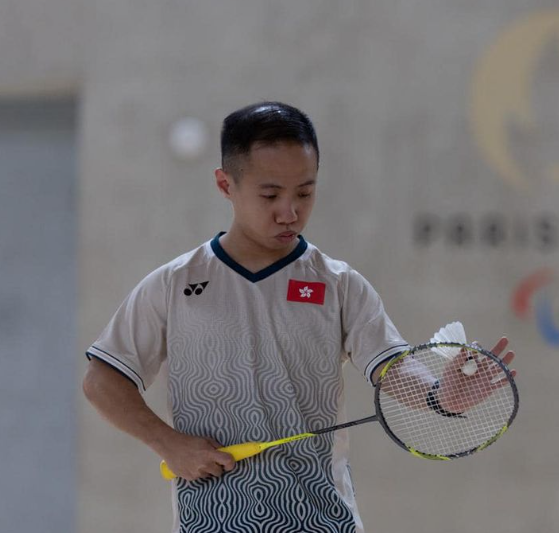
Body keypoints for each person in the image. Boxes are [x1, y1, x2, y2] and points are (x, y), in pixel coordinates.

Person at [82, 101, 515, 533]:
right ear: (225, 184)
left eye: (305, 193)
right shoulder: (174, 284)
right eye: (270, 195)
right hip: (210, 523)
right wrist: (169, 444)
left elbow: (391, 367)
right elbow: (103, 380)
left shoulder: (340, 284)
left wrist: (440, 395)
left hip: (323, 522)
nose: (290, 211)